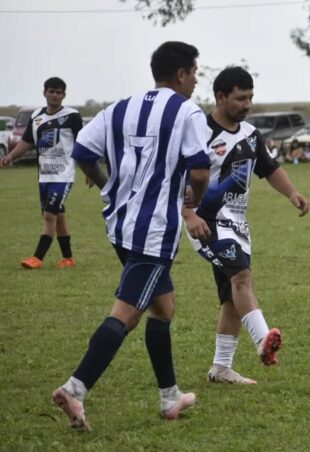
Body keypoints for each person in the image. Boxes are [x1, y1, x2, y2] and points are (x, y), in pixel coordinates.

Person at [50, 41, 211, 431]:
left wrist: (108, 187)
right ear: (182, 74)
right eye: (194, 73)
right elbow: (201, 171)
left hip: (121, 226)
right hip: (154, 232)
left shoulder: (121, 107)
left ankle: (170, 397)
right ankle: (75, 387)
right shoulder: (188, 111)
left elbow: (84, 151)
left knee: (163, 307)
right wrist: (193, 203)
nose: (195, 81)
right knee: (127, 313)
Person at [183, 66, 309, 384]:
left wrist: (292, 193)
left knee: (230, 296)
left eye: (251, 97)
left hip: (237, 223)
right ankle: (263, 341)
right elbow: (174, 178)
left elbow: (269, 168)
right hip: (205, 221)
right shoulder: (199, 132)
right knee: (241, 276)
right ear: (221, 97)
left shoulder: (251, 135)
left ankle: (221, 368)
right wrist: (188, 214)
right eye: (240, 98)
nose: (247, 104)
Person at [0, 77, 83, 269]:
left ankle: (37, 258)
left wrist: (89, 170)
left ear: (64, 95)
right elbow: (27, 141)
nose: (54, 95)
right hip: (44, 175)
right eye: (51, 91)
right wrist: (10, 156)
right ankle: (68, 258)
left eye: (58, 92)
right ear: (44, 92)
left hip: (64, 175)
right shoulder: (37, 116)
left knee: (49, 216)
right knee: (58, 216)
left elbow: (83, 144)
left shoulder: (72, 116)